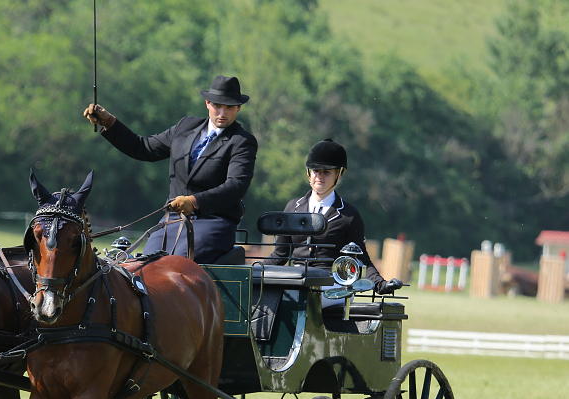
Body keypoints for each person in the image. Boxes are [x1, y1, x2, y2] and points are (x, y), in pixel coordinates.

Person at [83, 75, 258, 263]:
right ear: (207, 103)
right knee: (143, 265)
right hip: (172, 220)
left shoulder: (242, 141)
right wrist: (109, 122)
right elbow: (144, 148)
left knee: (174, 265)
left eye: (229, 107)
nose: (222, 113)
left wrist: (194, 201)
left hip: (213, 222)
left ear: (238, 108)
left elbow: (236, 185)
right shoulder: (185, 126)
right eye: (217, 105)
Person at [265, 138, 402, 297]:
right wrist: (251, 271)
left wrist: (380, 284)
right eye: (316, 171)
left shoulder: (349, 216)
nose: (319, 176)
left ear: (339, 174)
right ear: (309, 173)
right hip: (296, 281)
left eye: (326, 172)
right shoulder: (292, 208)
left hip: (329, 285)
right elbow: (280, 254)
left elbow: (361, 259)